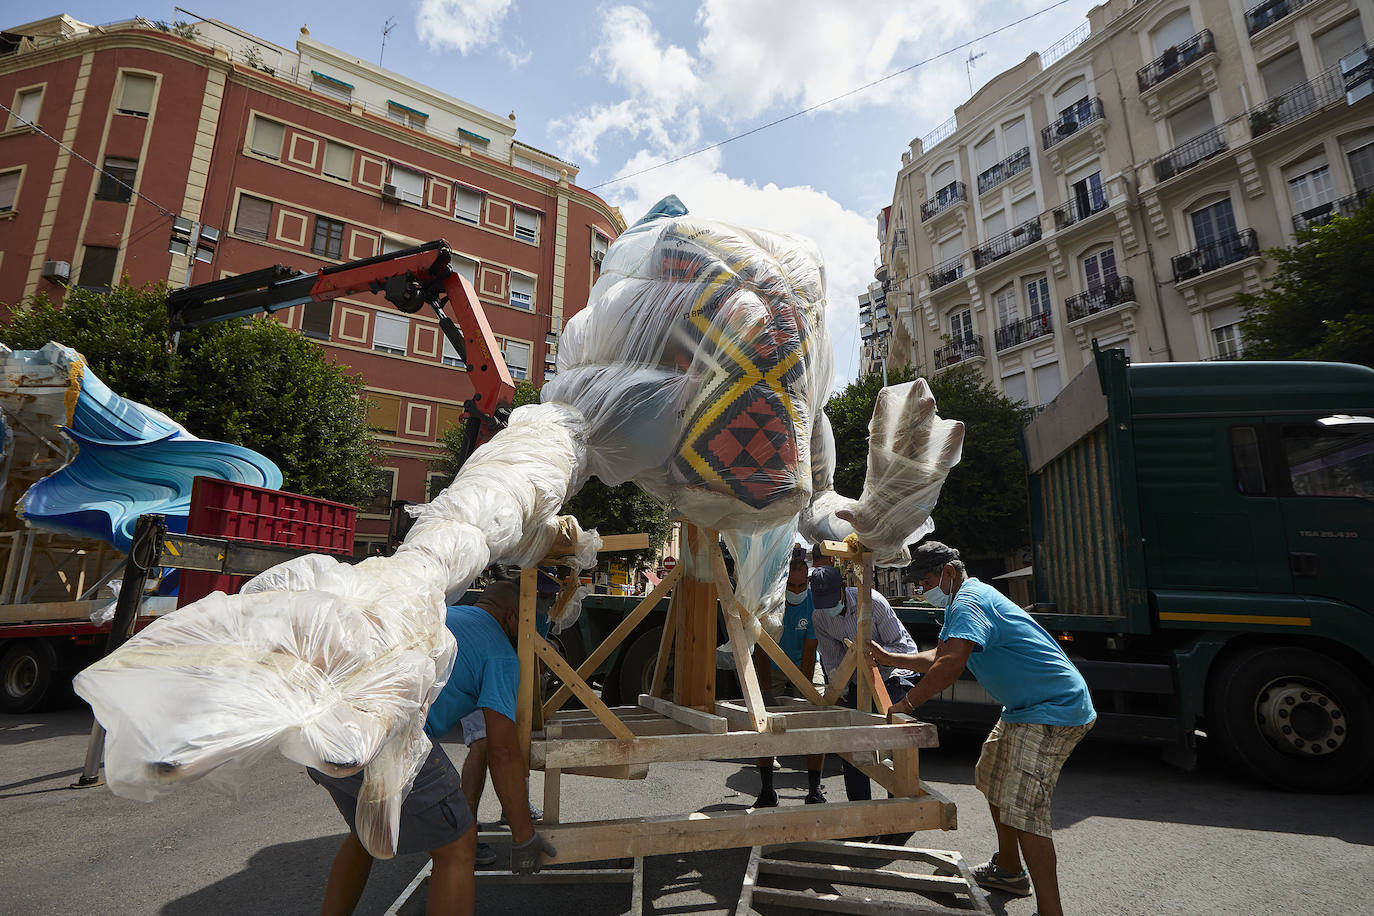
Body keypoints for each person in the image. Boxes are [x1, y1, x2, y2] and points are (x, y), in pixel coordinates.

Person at [868, 541, 1095, 916]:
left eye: (925, 581)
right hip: (1023, 709)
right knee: (991, 776)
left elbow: (951, 667)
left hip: (1053, 709)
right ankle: (1008, 870)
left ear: (950, 572)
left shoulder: (970, 601)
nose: (922, 590)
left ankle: (1051, 911)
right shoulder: (962, 604)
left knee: (1025, 808)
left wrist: (905, 706)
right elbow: (940, 656)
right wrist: (893, 657)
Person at [307, 580, 555, 916]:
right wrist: (524, 835)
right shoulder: (500, 653)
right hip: (384, 734)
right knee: (457, 843)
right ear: (513, 617)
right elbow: (503, 752)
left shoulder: (446, 615)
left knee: (366, 832)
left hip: (324, 727)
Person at [808, 564, 920, 802]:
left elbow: (902, 648)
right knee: (853, 743)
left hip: (896, 672)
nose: (829, 608)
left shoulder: (873, 603)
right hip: (859, 676)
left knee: (895, 741)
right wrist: (839, 691)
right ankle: (861, 812)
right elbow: (830, 660)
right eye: (822, 602)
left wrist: (875, 656)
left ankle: (899, 809)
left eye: (831, 600)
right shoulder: (820, 616)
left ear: (842, 588)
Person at [751, 556, 824, 807]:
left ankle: (814, 790)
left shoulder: (813, 603)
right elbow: (760, 649)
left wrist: (805, 693)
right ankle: (766, 790)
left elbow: (810, 648)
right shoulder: (771, 603)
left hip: (804, 664)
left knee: (817, 718)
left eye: (800, 587)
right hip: (772, 665)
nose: (795, 592)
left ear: (807, 583)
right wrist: (766, 690)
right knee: (764, 723)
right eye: (790, 587)